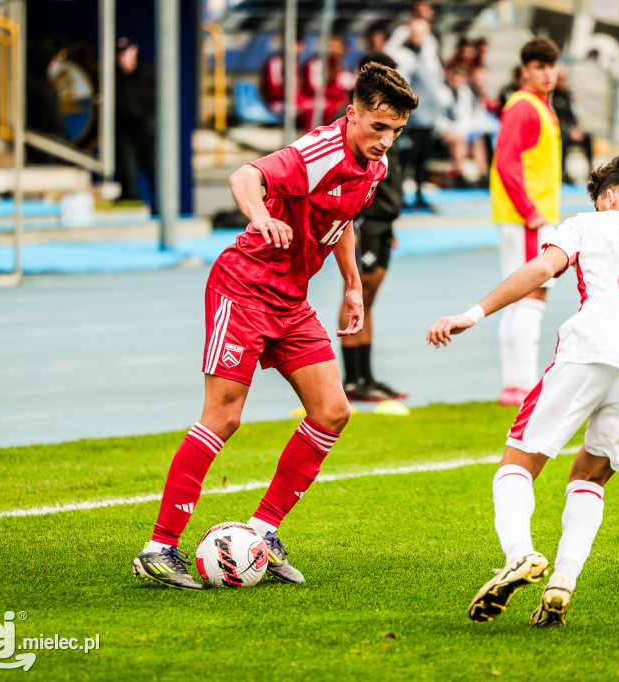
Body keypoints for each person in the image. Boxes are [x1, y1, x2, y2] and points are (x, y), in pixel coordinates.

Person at [132, 63, 418, 590]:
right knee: (223, 418)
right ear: (352, 113)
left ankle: (262, 533)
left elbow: (343, 222)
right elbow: (247, 177)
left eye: (395, 131)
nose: (386, 140)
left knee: (332, 411)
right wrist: (258, 214)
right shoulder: (321, 151)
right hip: (243, 288)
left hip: (291, 300)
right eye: (379, 127)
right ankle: (159, 547)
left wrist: (352, 283)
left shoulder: (373, 168)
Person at [426, 153, 619, 627]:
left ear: (610, 197)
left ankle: (520, 555)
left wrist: (474, 313)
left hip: (590, 350)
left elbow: (543, 269)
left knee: (519, 462)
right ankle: (562, 581)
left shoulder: (588, 223)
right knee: (590, 476)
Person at [490, 37, 561, 405]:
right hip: (528, 218)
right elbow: (506, 160)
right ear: (525, 71)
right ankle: (525, 384)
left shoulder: (536, 106)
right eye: (540, 66)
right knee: (532, 297)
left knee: (519, 299)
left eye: (552, 65)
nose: (548, 73)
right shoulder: (525, 107)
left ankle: (514, 384)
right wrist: (530, 210)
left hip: (524, 217)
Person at [336, 51, 409, 402]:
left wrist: (390, 223)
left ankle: (367, 374)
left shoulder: (395, 118)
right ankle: (351, 379)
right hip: (365, 219)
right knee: (357, 291)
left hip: (383, 221)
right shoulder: (363, 122)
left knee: (371, 296)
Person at [389, 16, 448, 210]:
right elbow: (403, 84)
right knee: (406, 159)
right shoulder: (403, 55)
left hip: (428, 117)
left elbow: (436, 81)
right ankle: (400, 196)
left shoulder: (428, 54)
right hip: (412, 118)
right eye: (415, 32)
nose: (419, 37)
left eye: (422, 33)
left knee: (423, 158)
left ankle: (419, 194)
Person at [114, 38, 156, 204]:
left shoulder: (148, 74)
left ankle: (163, 211)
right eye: (119, 54)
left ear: (134, 51)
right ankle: (129, 206)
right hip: (124, 131)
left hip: (146, 131)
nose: (122, 57)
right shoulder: (111, 77)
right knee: (126, 173)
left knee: (156, 172)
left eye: (125, 52)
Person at [550, 66, 593, 184]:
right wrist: (568, 130)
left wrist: (577, 129)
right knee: (562, 138)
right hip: (560, 131)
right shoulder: (551, 96)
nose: (562, 83)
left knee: (588, 136)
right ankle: (562, 172)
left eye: (564, 80)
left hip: (571, 130)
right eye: (560, 79)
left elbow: (576, 114)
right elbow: (552, 117)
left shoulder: (569, 95)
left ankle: (591, 171)